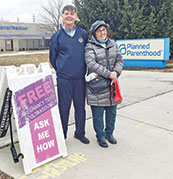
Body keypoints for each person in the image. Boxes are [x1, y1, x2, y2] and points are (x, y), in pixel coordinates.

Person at [49, 5, 90, 144]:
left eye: (72, 14)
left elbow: (87, 54)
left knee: (80, 107)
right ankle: (62, 135)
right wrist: (62, 70)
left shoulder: (83, 34)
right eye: (66, 13)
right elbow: (52, 58)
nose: (69, 16)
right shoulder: (57, 36)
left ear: (76, 17)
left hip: (79, 78)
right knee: (64, 108)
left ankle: (80, 133)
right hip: (64, 79)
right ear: (62, 16)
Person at [85, 20, 123, 148]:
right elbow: (91, 63)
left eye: (104, 30)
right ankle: (100, 136)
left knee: (112, 112)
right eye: (99, 31)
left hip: (112, 84)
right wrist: (108, 74)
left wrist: (116, 73)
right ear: (94, 33)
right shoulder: (90, 46)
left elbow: (119, 59)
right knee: (98, 114)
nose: (102, 33)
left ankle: (109, 133)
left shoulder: (113, 43)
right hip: (97, 86)